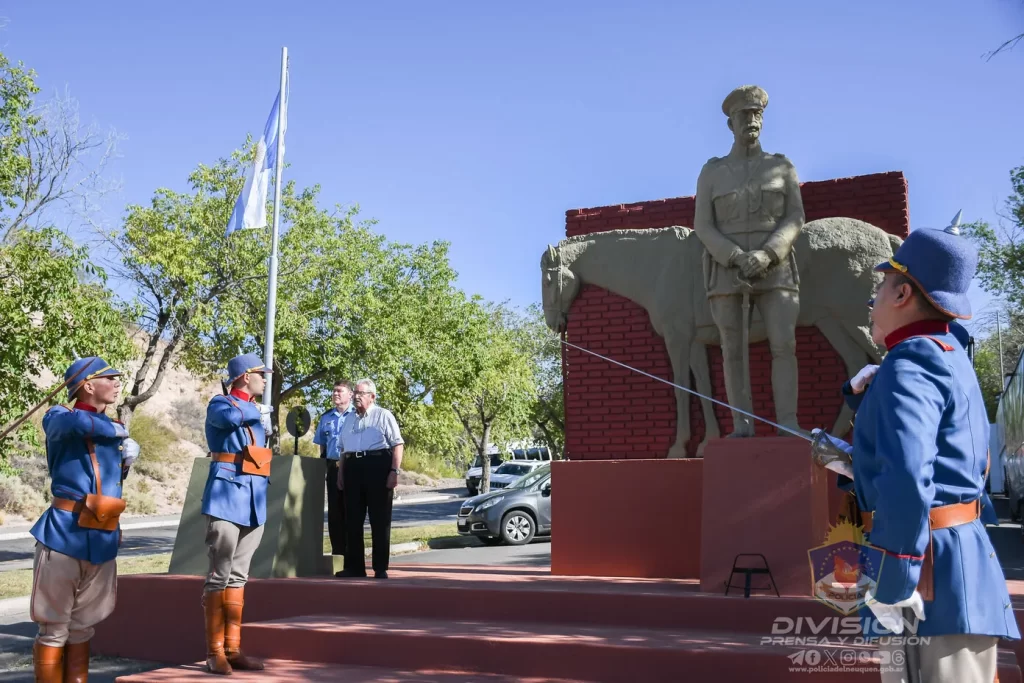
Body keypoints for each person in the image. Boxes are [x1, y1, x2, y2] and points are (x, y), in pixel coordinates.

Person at [812, 213, 1020, 682]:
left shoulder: (911, 361)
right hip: (950, 561)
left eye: (879, 289)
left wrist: (896, 580)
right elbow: (944, 456)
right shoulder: (946, 353)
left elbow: (908, 479)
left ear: (903, 293)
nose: (872, 304)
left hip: (924, 572)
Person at [693, 84, 806, 437]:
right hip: (727, 272)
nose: (751, 120)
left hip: (776, 269)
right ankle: (742, 426)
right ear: (731, 124)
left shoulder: (781, 167)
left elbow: (795, 217)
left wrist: (767, 253)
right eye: (744, 115)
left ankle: (787, 423)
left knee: (784, 345)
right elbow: (703, 225)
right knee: (732, 350)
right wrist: (735, 256)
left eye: (757, 114)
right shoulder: (712, 172)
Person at [29, 356, 139, 682]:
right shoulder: (60, 416)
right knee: (53, 629)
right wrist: (117, 431)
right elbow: (74, 425)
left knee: (82, 628)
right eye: (109, 378)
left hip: (102, 535)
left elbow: (107, 481)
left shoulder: (112, 428)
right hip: (64, 533)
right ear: (88, 386)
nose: (117, 383)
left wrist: (124, 463)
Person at [200, 352, 274, 675]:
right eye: (261, 374)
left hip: (253, 500)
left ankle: (232, 649)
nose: (265, 380)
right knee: (219, 575)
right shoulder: (221, 403)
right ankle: (214, 652)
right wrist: (255, 411)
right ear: (245, 376)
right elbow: (228, 419)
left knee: (239, 576)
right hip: (226, 497)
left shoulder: (252, 409)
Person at [336, 379, 404, 579]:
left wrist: (394, 471)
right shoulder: (349, 419)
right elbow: (343, 450)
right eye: (355, 393)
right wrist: (341, 474)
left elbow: (397, 444)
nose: (356, 396)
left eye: (361, 393)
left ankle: (380, 567)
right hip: (352, 468)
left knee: (379, 518)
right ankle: (355, 567)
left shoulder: (383, 415)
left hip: (377, 466)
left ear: (372, 396)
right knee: (352, 519)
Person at [313, 380, 355, 556]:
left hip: (353, 466)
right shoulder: (326, 417)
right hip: (333, 466)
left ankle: (352, 553)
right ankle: (338, 553)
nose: (336, 394)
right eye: (334, 391)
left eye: (340, 391)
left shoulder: (357, 415)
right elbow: (322, 445)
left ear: (350, 394)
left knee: (352, 509)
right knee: (334, 512)